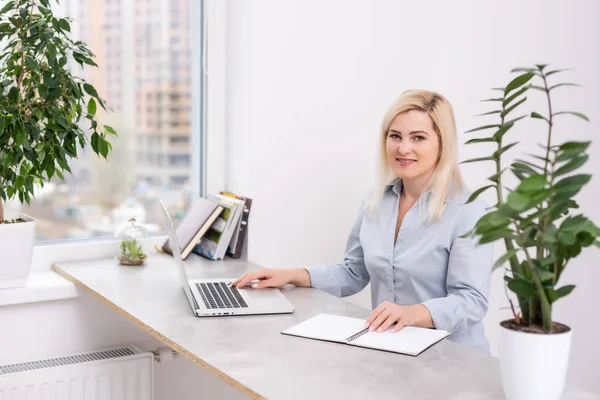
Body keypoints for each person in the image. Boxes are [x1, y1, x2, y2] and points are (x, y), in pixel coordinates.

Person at [232, 89, 493, 354]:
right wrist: (291, 275)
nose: (404, 148)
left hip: (453, 359)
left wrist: (413, 313)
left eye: (418, 138)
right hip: (392, 351)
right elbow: (352, 273)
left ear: (442, 143)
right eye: (395, 136)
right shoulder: (376, 202)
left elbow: (472, 300)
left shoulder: (469, 212)